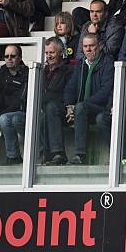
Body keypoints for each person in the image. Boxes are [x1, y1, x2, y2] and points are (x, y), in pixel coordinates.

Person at [64, 33, 115, 165]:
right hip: (82, 109)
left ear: (99, 46)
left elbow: (105, 92)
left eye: (91, 46)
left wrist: (80, 105)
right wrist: (69, 106)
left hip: (101, 108)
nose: (88, 49)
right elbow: (70, 87)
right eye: (85, 46)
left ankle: (80, 155)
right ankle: (56, 154)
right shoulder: (81, 64)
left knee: (81, 107)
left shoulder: (108, 63)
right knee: (52, 109)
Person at [39, 37, 72, 165]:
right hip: (45, 108)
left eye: (52, 52)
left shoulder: (68, 70)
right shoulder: (42, 71)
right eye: (46, 53)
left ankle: (59, 153)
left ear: (60, 52)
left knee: (51, 107)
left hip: (62, 109)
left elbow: (67, 93)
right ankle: (43, 153)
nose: (49, 56)